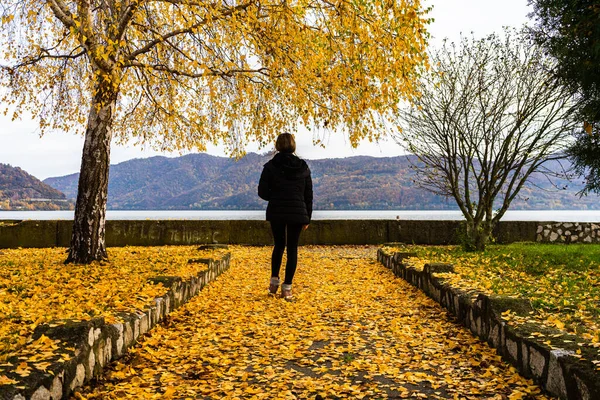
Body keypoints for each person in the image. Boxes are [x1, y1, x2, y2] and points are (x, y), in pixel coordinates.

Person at [258, 133, 313, 300]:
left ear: (277, 146)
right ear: (293, 146)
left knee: (279, 245)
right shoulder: (303, 167)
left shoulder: (270, 166)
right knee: (292, 248)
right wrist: (307, 217)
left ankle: (274, 281)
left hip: (277, 211)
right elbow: (308, 195)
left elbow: (262, 192)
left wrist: (275, 197)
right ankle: (287, 288)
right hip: (297, 212)